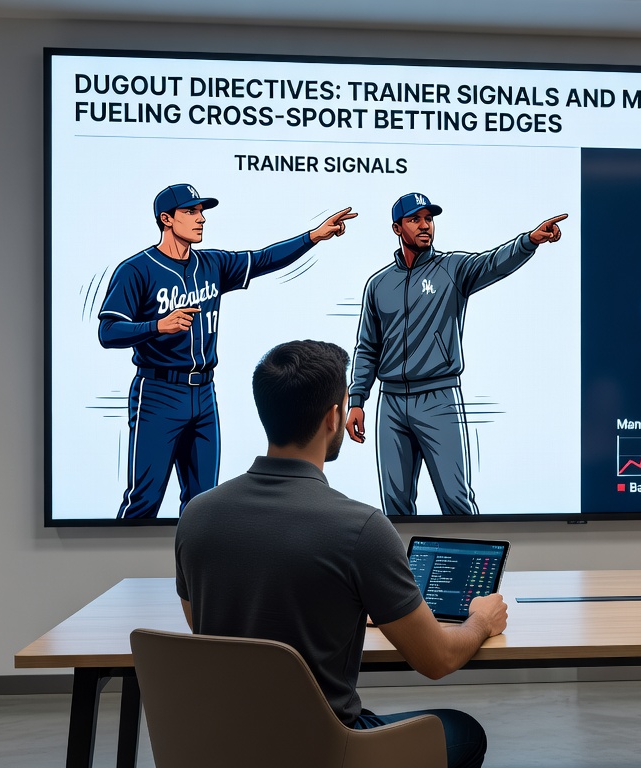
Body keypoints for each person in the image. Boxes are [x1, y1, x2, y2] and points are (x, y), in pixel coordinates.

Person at [175, 340, 507, 768]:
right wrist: (481, 620)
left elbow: (208, 628)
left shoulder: (196, 517)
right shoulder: (361, 529)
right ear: (334, 417)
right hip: (325, 749)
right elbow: (437, 659)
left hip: (225, 746)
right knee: (465, 732)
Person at [98, 183, 357, 519]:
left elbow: (264, 259)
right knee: (144, 500)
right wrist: (157, 326)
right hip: (158, 393)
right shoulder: (137, 270)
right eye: (190, 211)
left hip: (203, 393)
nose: (200, 218)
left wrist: (312, 236)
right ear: (166, 219)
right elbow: (108, 331)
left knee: (203, 504)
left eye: (201, 211)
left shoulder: (212, 264)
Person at [345, 192, 567, 515]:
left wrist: (530, 240)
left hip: (438, 400)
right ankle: (399, 568)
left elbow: (493, 263)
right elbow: (367, 346)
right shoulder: (379, 285)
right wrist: (357, 401)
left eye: (429, 219)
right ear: (397, 228)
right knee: (394, 510)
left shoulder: (452, 269)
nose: (425, 226)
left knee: (456, 502)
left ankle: (473, 566)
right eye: (415, 220)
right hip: (390, 405)